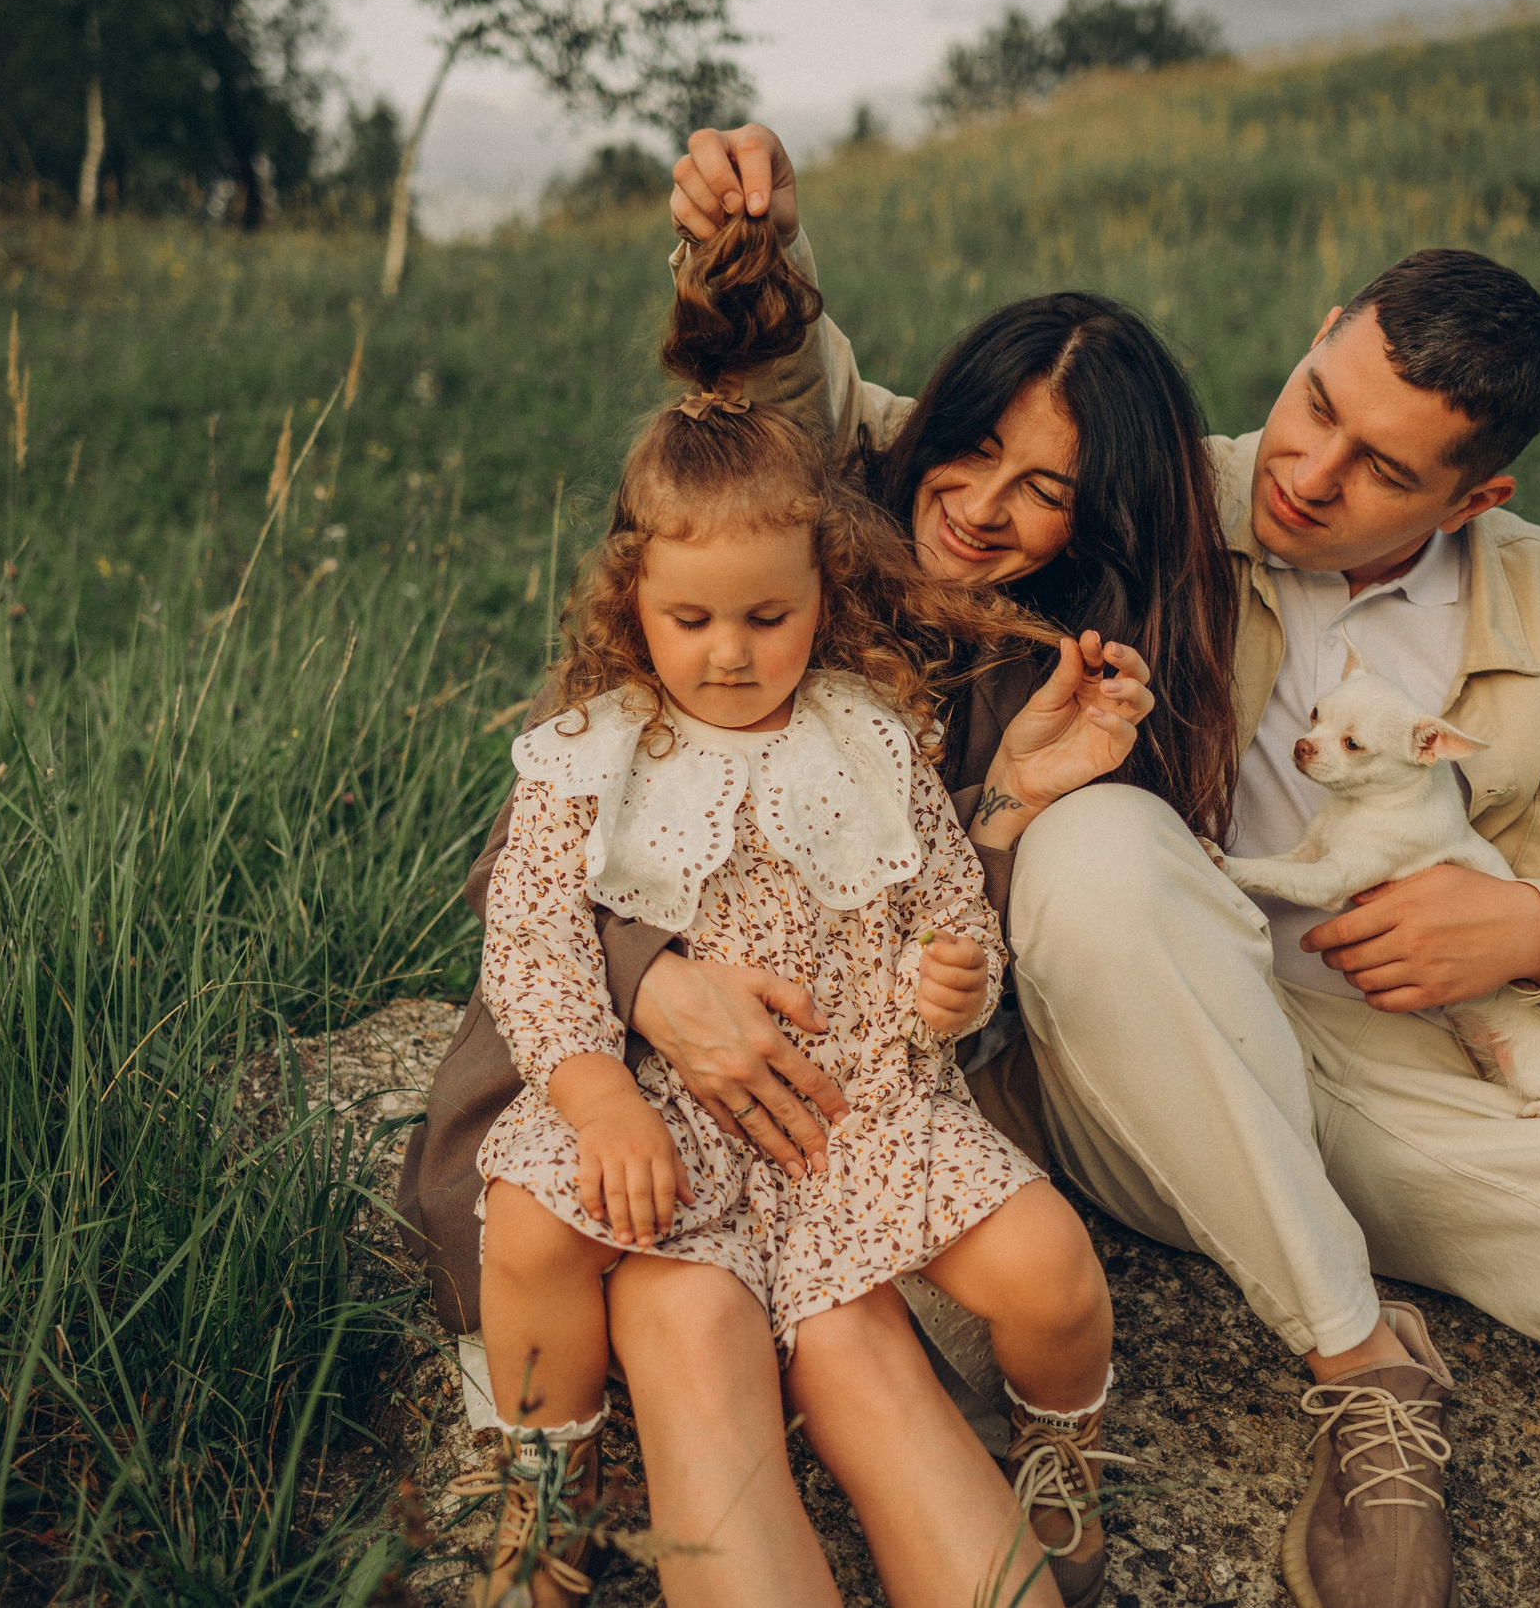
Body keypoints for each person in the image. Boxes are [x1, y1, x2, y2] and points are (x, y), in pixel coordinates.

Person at [613, 123, 1540, 1608]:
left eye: (1381, 466)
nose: (1309, 471)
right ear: (1313, 343)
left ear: (1474, 497)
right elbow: (856, 429)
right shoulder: (1149, 490)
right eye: (1315, 406)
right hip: (1165, 1070)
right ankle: (1365, 1369)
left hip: (1466, 1096)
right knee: (1105, 845)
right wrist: (755, 255)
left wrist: (1531, 927)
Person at [450, 213, 1138, 1608]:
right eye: (692, 620)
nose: (729, 653)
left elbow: (945, 898)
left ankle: (1064, 1443)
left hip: (858, 1107)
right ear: (633, 601)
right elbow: (527, 940)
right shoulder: (594, 749)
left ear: (827, 593)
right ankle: (545, 1473)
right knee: (528, 1226)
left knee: (1053, 1266)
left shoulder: (867, 734)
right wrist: (599, 1103)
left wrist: (956, 981)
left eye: (767, 618)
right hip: (656, 1111)